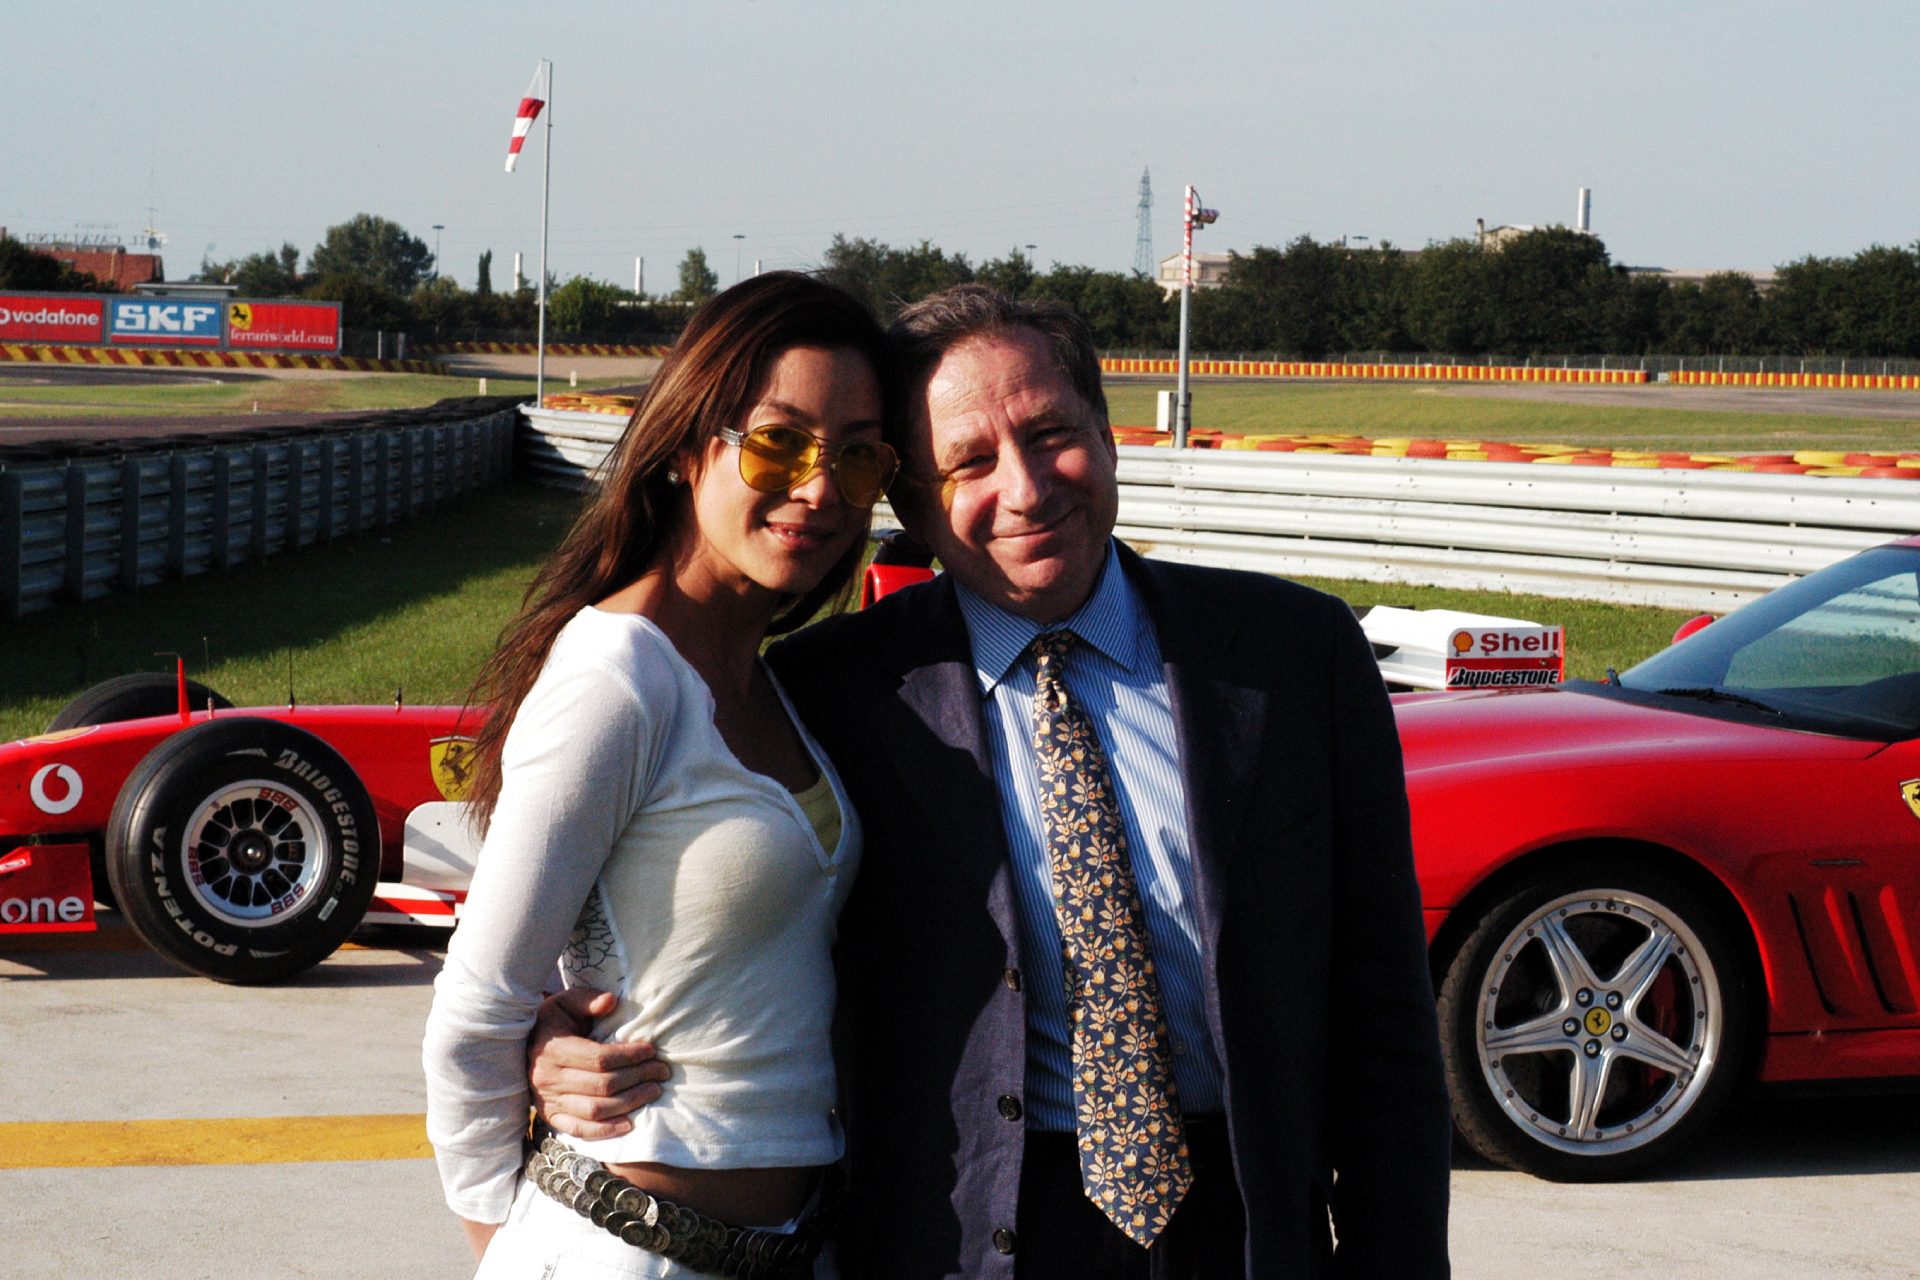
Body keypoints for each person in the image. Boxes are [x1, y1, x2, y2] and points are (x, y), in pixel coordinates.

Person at [532, 284, 1453, 1278]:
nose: (1025, 487)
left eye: (1052, 432)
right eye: (969, 460)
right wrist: (549, 1030)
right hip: (955, 1244)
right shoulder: (828, 694)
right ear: (912, 504)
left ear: (1107, 437)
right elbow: (674, 896)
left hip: (1235, 1238)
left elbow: (1384, 1027)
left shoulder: (1295, 658)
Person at [422, 271, 905, 1279]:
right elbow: (476, 1007)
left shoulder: (776, 682)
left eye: (858, 457)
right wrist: (504, 1246)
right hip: (618, 1249)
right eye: (779, 441)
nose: (819, 488)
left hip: (786, 1248)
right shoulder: (618, 677)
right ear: (689, 448)